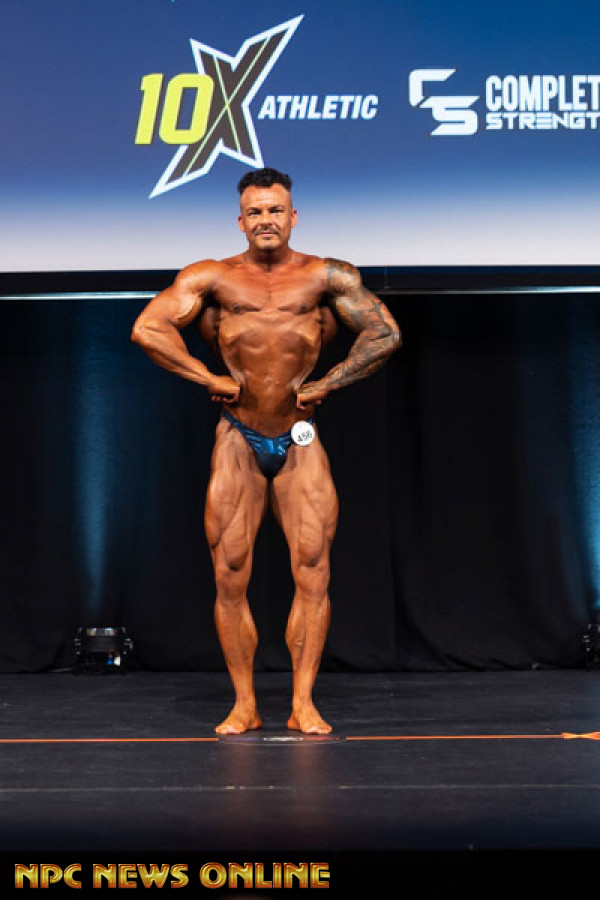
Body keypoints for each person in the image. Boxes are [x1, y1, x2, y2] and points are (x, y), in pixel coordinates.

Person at [131, 168, 400, 734]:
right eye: (255, 212)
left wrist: (331, 382)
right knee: (230, 572)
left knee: (313, 571)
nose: (266, 220)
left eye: (275, 210)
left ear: (293, 216)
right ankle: (244, 705)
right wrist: (205, 375)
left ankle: (303, 703)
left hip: (300, 438)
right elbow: (149, 329)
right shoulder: (212, 277)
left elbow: (384, 333)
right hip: (238, 436)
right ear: (241, 221)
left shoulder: (326, 276)